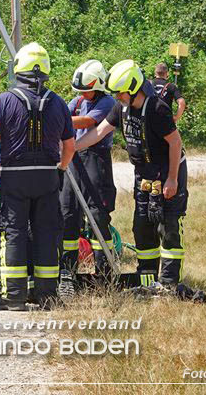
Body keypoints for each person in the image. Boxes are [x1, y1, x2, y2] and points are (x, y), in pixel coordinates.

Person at [76, 60, 188, 289]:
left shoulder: (157, 109)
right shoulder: (122, 108)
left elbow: (175, 143)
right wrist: (72, 147)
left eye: (120, 93)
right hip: (144, 175)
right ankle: (148, 277)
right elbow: (98, 132)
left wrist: (172, 179)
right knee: (142, 226)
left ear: (134, 88)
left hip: (167, 171)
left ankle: (168, 283)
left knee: (167, 228)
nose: (117, 97)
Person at [0, 42, 75, 311]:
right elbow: (69, 146)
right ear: (45, 71)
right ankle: (47, 295)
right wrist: (60, 170)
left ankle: (15, 297)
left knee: (14, 234)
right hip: (47, 176)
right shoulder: (58, 102)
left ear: (18, 70)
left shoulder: (4, 101)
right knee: (46, 234)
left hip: (13, 177)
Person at [59, 60, 117, 295]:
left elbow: (88, 122)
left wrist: (57, 120)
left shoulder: (107, 103)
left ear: (99, 86)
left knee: (97, 215)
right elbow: (67, 110)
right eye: (80, 92)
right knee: (67, 212)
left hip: (96, 160)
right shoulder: (79, 100)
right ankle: (67, 271)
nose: (82, 95)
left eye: (86, 90)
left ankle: (104, 271)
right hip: (74, 159)